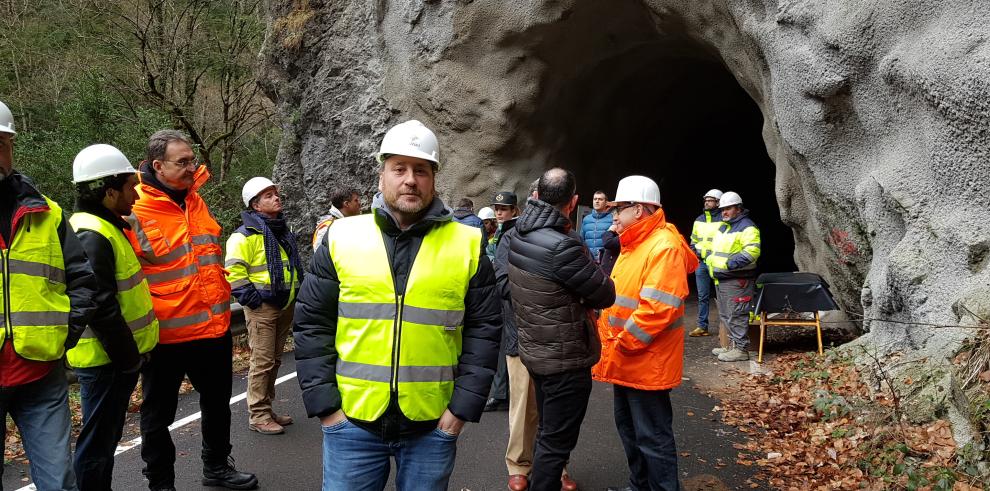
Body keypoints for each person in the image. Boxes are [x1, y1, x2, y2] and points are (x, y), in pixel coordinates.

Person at [293, 119, 501, 491]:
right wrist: (327, 409)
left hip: (432, 426)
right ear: (381, 177)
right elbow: (312, 325)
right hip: (352, 425)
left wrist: (460, 412)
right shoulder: (342, 237)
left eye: (420, 170)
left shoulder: (467, 244)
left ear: (433, 179)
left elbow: (484, 330)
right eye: (399, 169)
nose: (410, 180)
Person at [128, 130, 257, 491]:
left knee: (218, 405)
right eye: (182, 162)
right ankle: (160, 483)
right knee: (157, 418)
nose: (191, 167)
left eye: (192, 160)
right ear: (158, 166)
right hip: (165, 335)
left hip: (212, 328)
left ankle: (216, 467)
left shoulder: (196, 200)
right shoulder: (134, 207)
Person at [0, 99, 97, 491]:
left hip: (41, 374)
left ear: (11, 146)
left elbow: (81, 281)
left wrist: (63, 335)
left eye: (1, 143)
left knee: (59, 483)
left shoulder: (48, 213)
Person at [504, 167, 615, 491]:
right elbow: (605, 293)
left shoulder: (519, 235)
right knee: (556, 442)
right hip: (564, 360)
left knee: (547, 430)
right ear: (574, 201)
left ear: (537, 196)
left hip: (535, 353)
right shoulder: (563, 246)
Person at [592, 175, 698, 491]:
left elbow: (658, 309)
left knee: (652, 435)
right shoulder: (636, 242)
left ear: (638, 210)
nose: (613, 216)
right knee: (630, 430)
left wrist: (622, 344)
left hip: (644, 360)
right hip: (628, 359)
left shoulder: (663, 246)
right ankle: (639, 486)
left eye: (619, 208)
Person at [68, 144, 159, 491]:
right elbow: (101, 305)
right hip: (106, 361)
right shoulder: (92, 233)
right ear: (109, 192)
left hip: (111, 359)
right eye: (129, 187)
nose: (136, 195)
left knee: (103, 440)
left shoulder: (104, 226)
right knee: (97, 444)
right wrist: (128, 359)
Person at [495, 201, 578, 491]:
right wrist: (542, 288)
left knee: (554, 411)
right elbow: (502, 283)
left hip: (556, 340)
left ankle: (558, 467)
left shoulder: (567, 237)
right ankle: (519, 465)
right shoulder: (510, 237)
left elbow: (581, 285)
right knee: (522, 406)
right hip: (521, 335)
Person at [226, 177, 304, 435]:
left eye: (275, 193)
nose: (276, 198)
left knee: (275, 360)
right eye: (268, 195)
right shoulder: (244, 235)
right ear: (256, 205)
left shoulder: (281, 231)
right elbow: (234, 272)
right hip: (263, 307)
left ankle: (266, 408)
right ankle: (258, 415)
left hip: (285, 303)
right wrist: (252, 301)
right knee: (262, 361)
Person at [707, 191, 761, 362]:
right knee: (726, 314)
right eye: (722, 209)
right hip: (722, 278)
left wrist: (730, 264)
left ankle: (741, 349)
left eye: (728, 208)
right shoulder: (724, 226)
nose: (724, 212)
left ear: (738, 208)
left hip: (736, 279)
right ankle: (731, 345)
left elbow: (752, 251)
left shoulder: (747, 226)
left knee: (736, 314)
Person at [688, 189, 724, 337]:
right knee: (702, 296)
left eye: (710, 200)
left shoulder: (724, 219)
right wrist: (696, 253)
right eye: (706, 200)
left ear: (718, 202)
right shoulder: (699, 220)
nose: (706, 202)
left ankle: (726, 328)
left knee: (722, 295)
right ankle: (702, 326)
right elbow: (693, 240)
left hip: (719, 262)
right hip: (701, 263)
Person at [581, 190, 611, 261]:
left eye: (600, 199)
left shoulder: (612, 219)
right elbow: (581, 240)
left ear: (606, 203)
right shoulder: (586, 219)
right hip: (588, 260)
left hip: (605, 260)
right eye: (595, 199)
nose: (597, 201)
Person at [598, 211, 623, 276]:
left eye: (616, 220)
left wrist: (610, 231)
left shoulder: (623, 235)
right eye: (613, 221)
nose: (613, 224)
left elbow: (608, 243)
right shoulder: (614, 234)